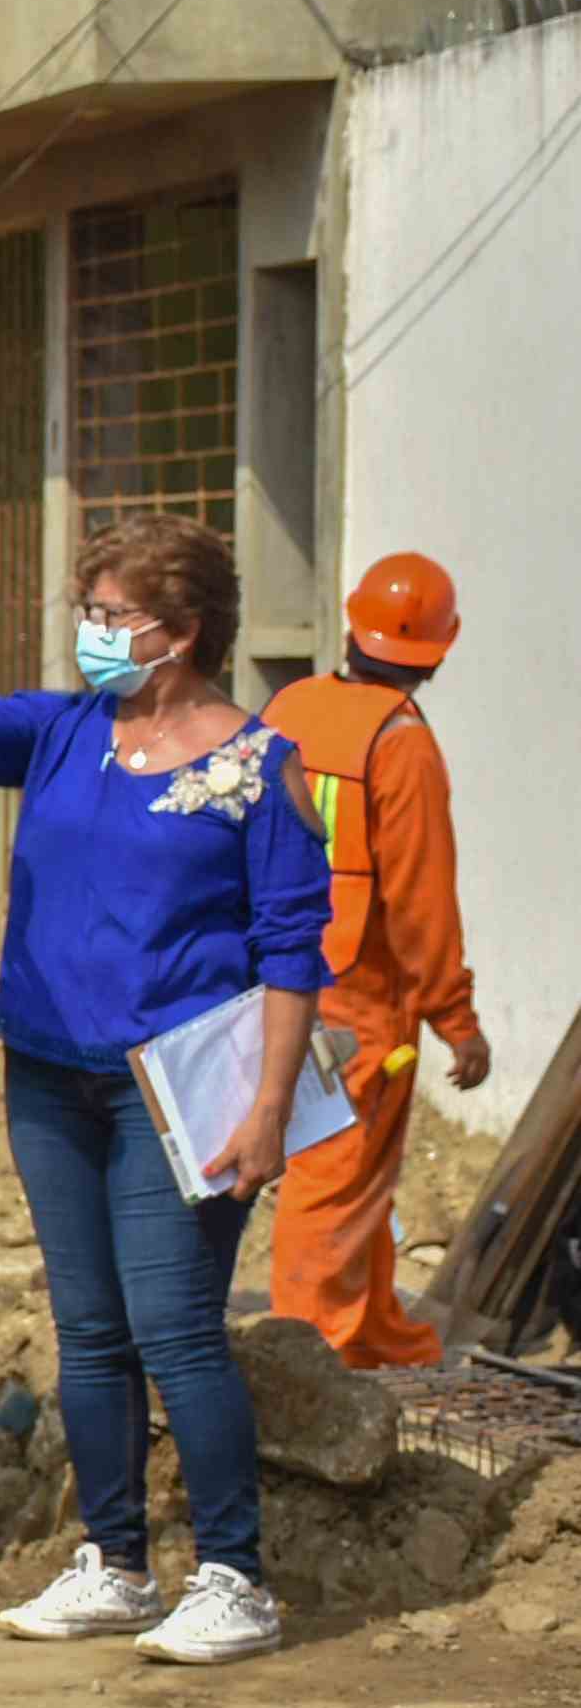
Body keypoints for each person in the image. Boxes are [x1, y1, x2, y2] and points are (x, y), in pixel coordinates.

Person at [0, 515, 331, 1665]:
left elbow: (291, 946)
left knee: (174, 1326)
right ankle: (115, 1560)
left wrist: (267, 1106)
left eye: (116, 615)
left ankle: (234, 1576)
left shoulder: (255, 767)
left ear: (184, 629)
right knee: (87, 1327)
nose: (96, 633)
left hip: (174, 1091)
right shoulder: (62, 730)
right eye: (93, 611)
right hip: (48, 1072)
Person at [265, 553, 489, 1368]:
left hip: (281, 972)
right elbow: (422, 901)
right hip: (361, 996)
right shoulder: (401, 745)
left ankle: (375, 1331)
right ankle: (311, 1355)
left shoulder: (291, 705)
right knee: (337, 1173)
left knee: (356, 1175)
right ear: (442, 645)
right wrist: (455, 1020)